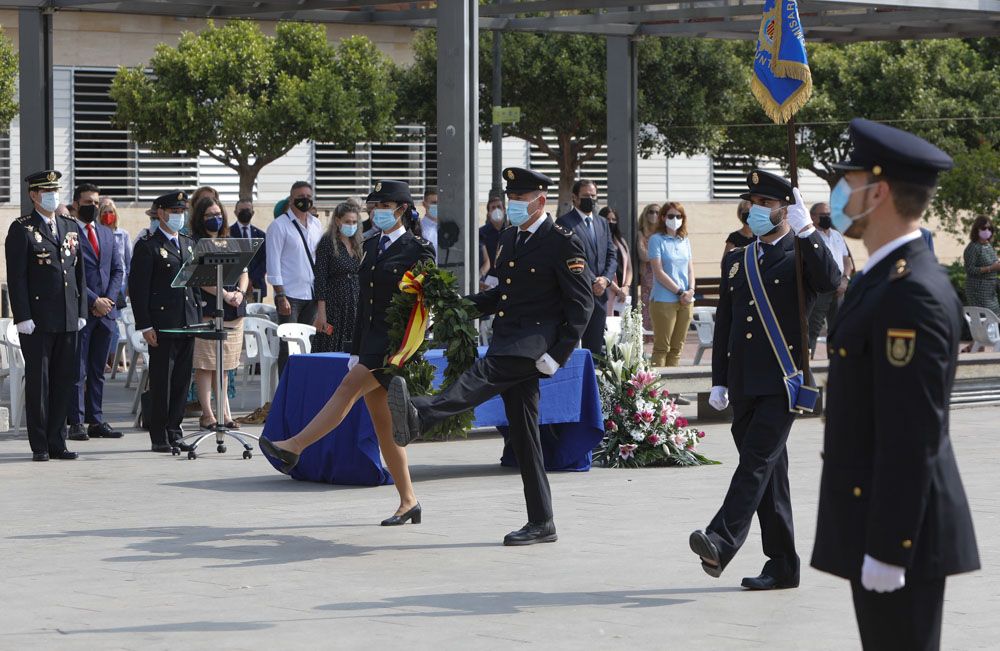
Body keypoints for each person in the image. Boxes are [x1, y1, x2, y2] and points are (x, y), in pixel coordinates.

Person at [811, 118, 980, 651]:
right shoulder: (882, 278)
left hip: (902, 534)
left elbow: (913, 434)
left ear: (877, 191)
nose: (839, 192)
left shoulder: (914, 293)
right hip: (873, 517)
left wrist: (890, 546)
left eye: (849, 179)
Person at [384, 167, 594, 546]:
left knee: (482, 375)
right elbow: (500, 296)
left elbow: (582, 304)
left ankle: (421, 414)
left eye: (519, 199)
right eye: (510, 199)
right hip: (508, 338)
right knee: (525, 439)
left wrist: (559, 353)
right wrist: (456, 308)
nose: (512, 206)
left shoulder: (563, 241)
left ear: (540, 201)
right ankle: (542, 521)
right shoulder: (511, 238)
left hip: (533, 345)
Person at [690, 169, 840, 590]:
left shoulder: (801, 254)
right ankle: (783, 564)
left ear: (783, 210)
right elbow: (727, 325)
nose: (755, 211)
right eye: (751, 203)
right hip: (742, 381)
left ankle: (720, 540)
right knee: (770, 476)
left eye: (764, 204)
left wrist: (809, 229)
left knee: (755, 463)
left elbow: (830, 281)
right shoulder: (738, 258)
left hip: (783, 382)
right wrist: (719, 379)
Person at [259, 180, 435, 525]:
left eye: (382, 207)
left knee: (346, 389)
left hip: (395, 347)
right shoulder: (370, 245)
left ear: (401, 209)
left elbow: (424, 307)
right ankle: (409, 500)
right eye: (374, 207)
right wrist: (356, 349)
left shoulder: (418, 250)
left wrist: (406, 349)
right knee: (383, 426)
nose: (375, 213)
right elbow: (363, 305)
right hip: (369, 342)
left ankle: (294, 446)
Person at [4, 170, 87, 461]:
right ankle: (40, 444)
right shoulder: (22, 229)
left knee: (64, 380)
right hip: (37, 320)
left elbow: (79, 273)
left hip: (67, 316)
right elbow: (17, 278)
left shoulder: (69, 226)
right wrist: (22, 315)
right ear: (34, 195)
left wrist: (81, 310)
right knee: (40, 383)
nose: (53, 196)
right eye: (46, 191)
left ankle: (58, 441)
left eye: (55, 190)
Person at [129, 191, 202, 452]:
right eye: (173, 211)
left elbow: (194, 285)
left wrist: (199, 317)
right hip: (162, 324)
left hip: (186, 321)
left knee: (182, 381)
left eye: (182, 211)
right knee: (162, 381)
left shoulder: (189, 242)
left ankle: (175, 429)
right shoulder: (147, 245)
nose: (178, 216)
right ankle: (159, 434)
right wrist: (145, 325)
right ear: (160, 213)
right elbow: (138, 290)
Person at [67, 182, 124, 441]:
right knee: (78, 370)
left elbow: (117, 270)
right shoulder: (68, 233)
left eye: (96, 203)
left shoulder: (106, 233)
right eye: (88, 202)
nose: (93, 207)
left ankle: (96, 419)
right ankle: (76, 421)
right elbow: (68, 274)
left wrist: (108, 300)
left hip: (106, 313)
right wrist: (94, 301)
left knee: (98, 369)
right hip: (82, 310)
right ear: (77, 204)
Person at [189, 197, 248, 430]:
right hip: (207, 310)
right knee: (206, 365)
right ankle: (207, 414)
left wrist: (240, 293)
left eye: (218, 214)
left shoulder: (229, 240)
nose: (215, 219)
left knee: (223, 366)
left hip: (233, 311)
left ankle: (224, 413)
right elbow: (201, 278)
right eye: (209, 215)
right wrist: (223, 294)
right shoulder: (194, 243)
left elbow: (244, 271)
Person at [266, 181, 322, 374]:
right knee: (288, 346)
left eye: (308, 197)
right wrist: (280, 295)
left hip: (312, 295)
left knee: (308, 345)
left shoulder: (316, 225)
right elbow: (273, 264)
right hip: (289, 296)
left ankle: (303, 385)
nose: (304, 201)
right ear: (290, 200)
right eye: (300, 198)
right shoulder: (279, 226)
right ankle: (286, 389)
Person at [557, 179, 616, 356]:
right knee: (570, 350)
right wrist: (592, 281)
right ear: (574, 198)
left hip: (600, 297)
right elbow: (570, 258)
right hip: (576, 294)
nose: (590, 199)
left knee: (595, 351)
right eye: (585, 196)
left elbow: (611, 255)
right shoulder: (564, 222)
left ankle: (593, 383)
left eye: (593, 196)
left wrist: (605, 280)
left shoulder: (602, 223)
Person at [648, 202, 695, 367]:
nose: (675, 219)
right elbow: (659, 272)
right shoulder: (656, 239)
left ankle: (672, 392)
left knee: (677, 348)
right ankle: (656, 392)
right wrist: (680, 292)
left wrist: (690, 291)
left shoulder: (685, 240)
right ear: (663, 218)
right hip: (664, 300)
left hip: (686, 300)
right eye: (670, 216)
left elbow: (690, 269)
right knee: (662, 348)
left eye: (678, 216)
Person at [312, 202, 362, 353]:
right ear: (338, 221)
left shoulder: (358, 243)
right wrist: (322, 313)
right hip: (334, 305)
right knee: (331, 344)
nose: (351, 225)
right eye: (347, 221)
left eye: (354, 222)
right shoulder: (327, 243)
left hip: (355, 303)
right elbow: (320, 279)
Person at [808, 202, 854, 355]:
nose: (827, 218)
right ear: (812, 217)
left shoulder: (836, 235)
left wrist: (845, 279)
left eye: (829, 215)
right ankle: (807, 367)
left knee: (838, 328)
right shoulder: (810, 236)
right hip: (819, 288)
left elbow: (847, 260)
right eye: (823, 215)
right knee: (813, 329)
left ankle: (835, 364)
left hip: (839, 288)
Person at [229, 199, 268, 301]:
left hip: (257, 285)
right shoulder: (227, 234)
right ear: (235, 212)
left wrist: (251, 279)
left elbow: (265, 260)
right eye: (242, 209)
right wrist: (242, 279)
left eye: (248, 209)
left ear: (253, 212)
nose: (245, 212)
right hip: (234, 286)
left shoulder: (261, 235)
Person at [963, 215, 1000, 315]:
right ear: (977, 229)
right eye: (984, 228)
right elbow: (970, 269)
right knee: (985, 318)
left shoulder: (988, 245)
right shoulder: (973, 247)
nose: (987, 230)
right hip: (978, 290)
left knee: (994, 318)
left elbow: (993, 263)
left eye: (989, 228)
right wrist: (991, 268)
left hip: (990, 290)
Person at [600, 207, 632, 317]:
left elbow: (629, 268)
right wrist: (617, 290)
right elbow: (601, 269)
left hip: (623, 293)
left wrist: (626, 287)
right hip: (607, 290)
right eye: (607, 219)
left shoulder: (621, 241)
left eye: (614, 219)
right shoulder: (598, 241)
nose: (610, 222)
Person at [637, 203, 661, 334]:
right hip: (647, 274)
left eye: (657, 212)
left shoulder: (663, 233)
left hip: (662, 273)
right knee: (646, 306)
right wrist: (658, 254)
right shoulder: (642, 233)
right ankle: (647, 336)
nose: (654, 215)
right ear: (646, 214)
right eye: (651, 212)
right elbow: (643, 255)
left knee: (660, 305)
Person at [478, 192, 507, 290]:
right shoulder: (481, 233)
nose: (496, 210)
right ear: (488, 213)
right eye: (493, 208)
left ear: (504, 210)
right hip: (487, 282)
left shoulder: (512, 231)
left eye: (499, 207)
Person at [420, 188, 439, 259]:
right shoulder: (418, 229)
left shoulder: (450, 228)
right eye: (434, 203)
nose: (438, 205)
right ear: (424, 204)